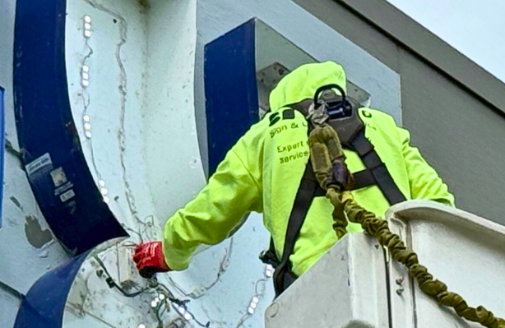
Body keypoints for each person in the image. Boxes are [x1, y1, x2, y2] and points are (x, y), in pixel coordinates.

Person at [134, 61, 454, 292]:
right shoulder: (383, 125)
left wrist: (169, 251)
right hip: (407, 273)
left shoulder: (267, 133)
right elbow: (437, 200)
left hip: (321, 281)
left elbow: (214, 208)